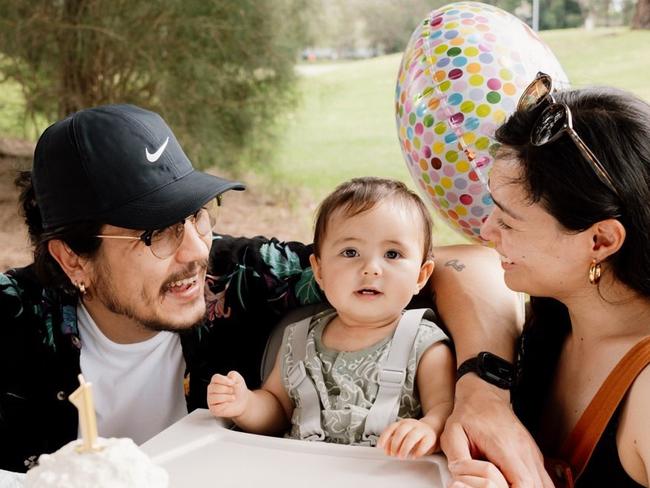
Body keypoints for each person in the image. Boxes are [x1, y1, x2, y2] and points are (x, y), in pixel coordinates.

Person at [0, 103, 541, 483]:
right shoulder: (12, 320)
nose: (195, 251)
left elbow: (469, 264)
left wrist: (484, 392)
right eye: (156, 232)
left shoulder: (243, 276)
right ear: (72, 258)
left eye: (197, 216)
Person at [447, 79, 650, 487]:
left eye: (508, 220)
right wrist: (484, 390)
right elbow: (458, 264)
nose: (487, 231)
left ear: (601, 240)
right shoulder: (564, 309)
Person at [207, 177, 454, 458]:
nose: (371, 268)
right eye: (351, 252)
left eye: (392, 254)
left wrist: (430, 429)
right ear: (319, 271)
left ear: (421, 275)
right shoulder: (298, 339)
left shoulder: (424, 345)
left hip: (386, 474)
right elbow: (277, 409)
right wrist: (245, 404)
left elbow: (446, 409)